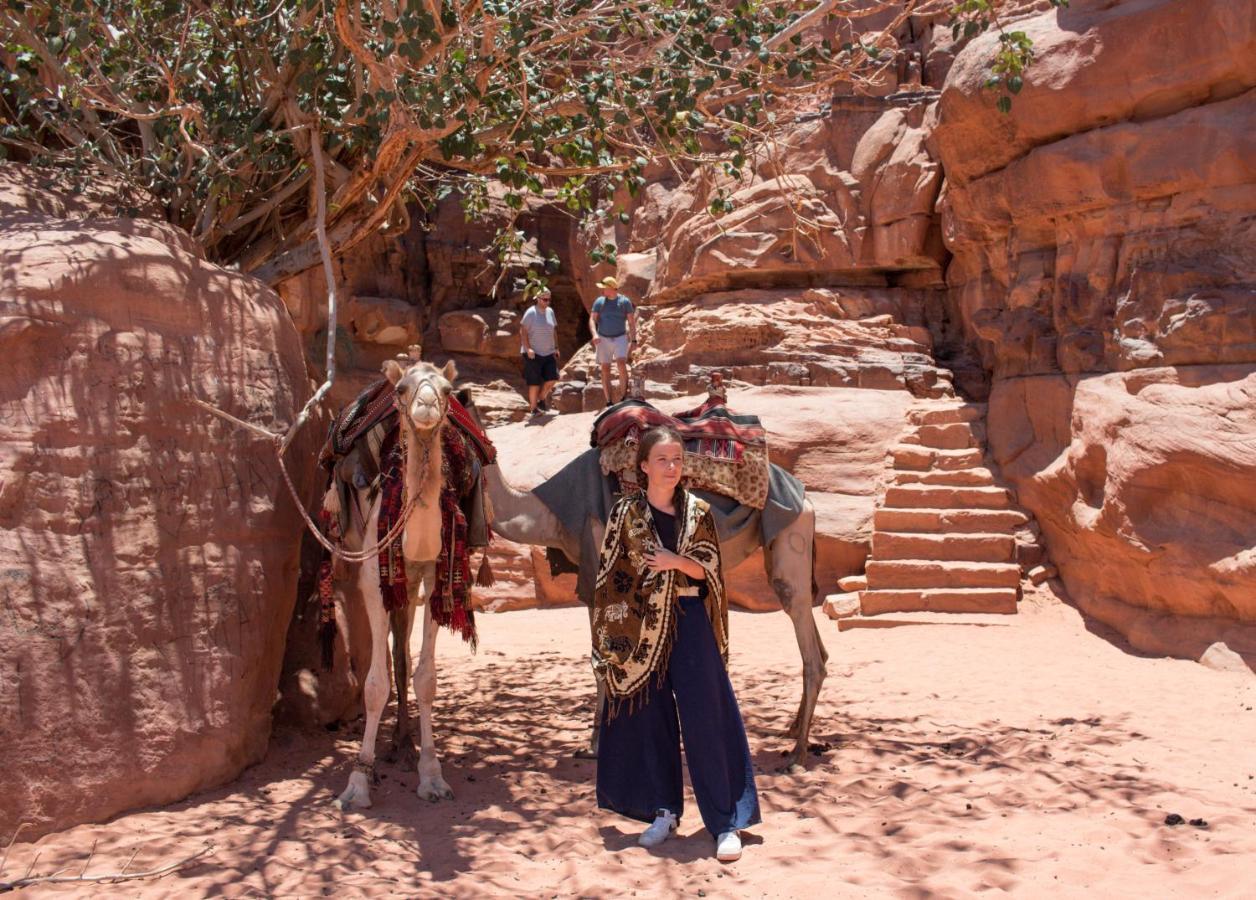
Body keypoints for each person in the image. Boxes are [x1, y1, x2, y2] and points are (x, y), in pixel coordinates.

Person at [591, 426, 761, 862]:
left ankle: (726, 821)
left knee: (709, 716)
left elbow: (710, 572)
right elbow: (610, 577)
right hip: (642, 628)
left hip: (690, 622)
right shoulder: (625, 513)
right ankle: (663, 811)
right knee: (652, 719)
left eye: (678, 460)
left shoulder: (698, 512)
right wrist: (612, 641)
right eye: (663, 460)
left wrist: (675, 562)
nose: (672, 467)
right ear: (644, 466)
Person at [589, 276, 637, 408]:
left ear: (611, 288)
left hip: (620, 337)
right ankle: (609, 401)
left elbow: (631, 322)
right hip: (603, 338)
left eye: (604, 287)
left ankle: (623, 397)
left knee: (621, 364)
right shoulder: (600, 301)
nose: (602, 290)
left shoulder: (624, 302)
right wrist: (594, 334)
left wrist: (633, 340)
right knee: (605, 368)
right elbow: (592, 319)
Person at [520, 287, 560, 419]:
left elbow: (553, 330)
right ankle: (533, 409)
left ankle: (541, 397)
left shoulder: (550, 312)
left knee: (553, 378)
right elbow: (523, 331)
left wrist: (556, 347)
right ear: (537, 299)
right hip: (533, 353)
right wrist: (528, 348)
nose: (548, 302)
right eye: (545, 299)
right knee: (534, 382)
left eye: (549, 299)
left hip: (548, 351)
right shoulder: (530, 313)